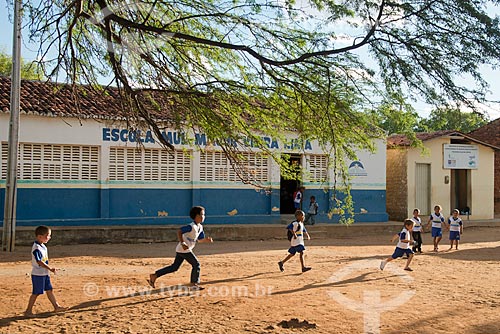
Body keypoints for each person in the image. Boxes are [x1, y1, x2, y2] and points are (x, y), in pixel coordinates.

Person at [148, 206, 213, 290]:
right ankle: (193, 284)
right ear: (196, 216)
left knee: (174, 267)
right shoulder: (191, 226)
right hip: (184, 250)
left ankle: (154, 275)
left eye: (204, 215)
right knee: (196, 264)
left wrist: (206, 240)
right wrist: (182, 242)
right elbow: (179, 231)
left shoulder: (200, 227)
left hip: (182, 250)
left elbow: (199, 240)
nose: (203, 217)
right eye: (202, 214)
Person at [25, 225, 66, 316]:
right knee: (36, 293)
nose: (49, 237)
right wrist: (50, 268)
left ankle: (56, 306)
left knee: (49, 290)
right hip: (38, 274)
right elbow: (39, 262)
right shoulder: (37, 248)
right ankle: (28, 311)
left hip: (44, 273)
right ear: (40, 236)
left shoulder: (42, 246)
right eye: (47, 235)